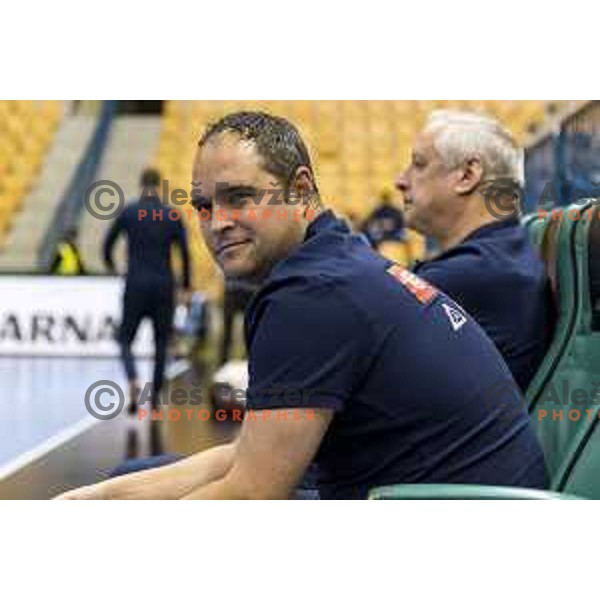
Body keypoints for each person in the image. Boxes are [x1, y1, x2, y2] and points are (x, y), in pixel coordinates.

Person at [59, 112, 547, 500]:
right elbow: (244, 458)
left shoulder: (312, 294)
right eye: (204, 206)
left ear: (300, 188)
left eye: (240, 197)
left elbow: (252, 495)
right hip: (453, 495)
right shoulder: (337, 261)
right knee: (128, 483)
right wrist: (99, 499)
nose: (216, 223)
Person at [395, 110, 553, 391]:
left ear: (467, 175)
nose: (401, 181)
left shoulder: (470, 277)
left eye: (419, 164)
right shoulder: (504, 253)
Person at [102, 168, 192, 418]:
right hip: (164, 286)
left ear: (141, 186)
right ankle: (154, 404)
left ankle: (132, 380)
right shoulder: (172, 213)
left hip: (135, 284)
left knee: (124, 339)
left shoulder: (130, 211)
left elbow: (107, 245)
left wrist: (113, 268)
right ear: (159, 187)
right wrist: (185, 286)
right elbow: (184, 253)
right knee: (161, 343)